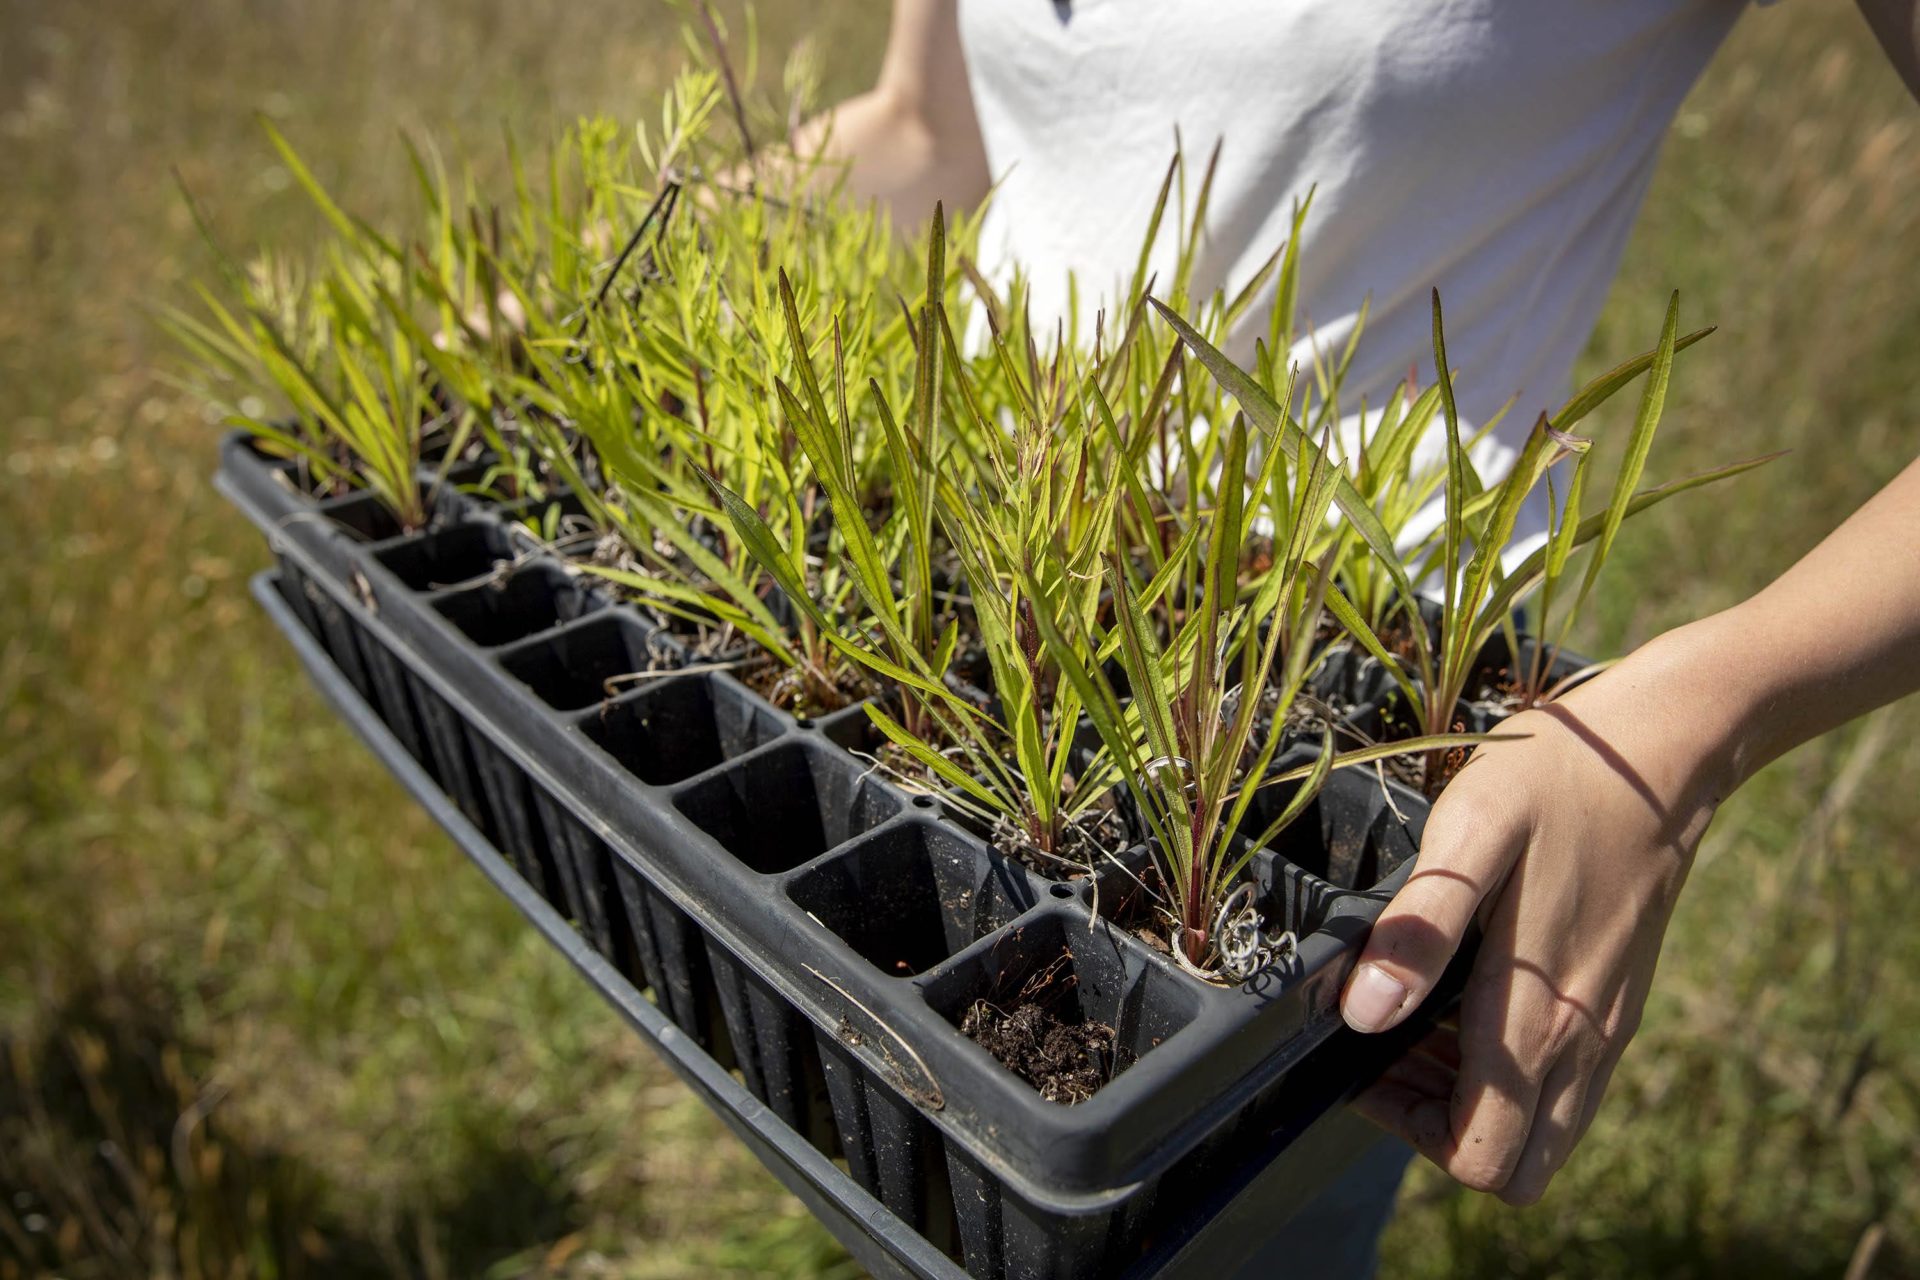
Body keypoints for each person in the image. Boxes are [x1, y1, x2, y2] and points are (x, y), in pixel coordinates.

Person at [761, 1, 1920, 1271]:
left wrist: (1704, 709)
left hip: (1362, 664)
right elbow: (924, 128)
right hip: (968, 559)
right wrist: (606, 253)